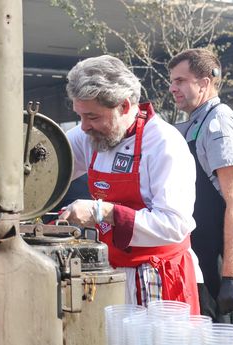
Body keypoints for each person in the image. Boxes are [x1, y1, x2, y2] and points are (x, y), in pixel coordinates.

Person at [59, 55, 201, 313]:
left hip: (157, 276)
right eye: (80, 116)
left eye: (92, 117)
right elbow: (50, 169)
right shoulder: (88, 135)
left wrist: (100, 212)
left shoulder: (163, 143)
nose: (84, 127)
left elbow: (173, 224)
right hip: (111, 271)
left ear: (124, 106)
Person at [168, 48, 233, 323]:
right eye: (172, 81)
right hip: (197, 251)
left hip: (218, 255)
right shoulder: (195, 122)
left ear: (205, 83)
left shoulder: (220, 123)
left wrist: (230, 276)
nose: (173, 88)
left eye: (180, 81)